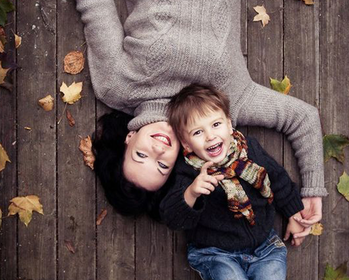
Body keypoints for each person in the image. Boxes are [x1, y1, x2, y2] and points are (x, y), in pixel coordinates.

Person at [76, 0, 327, 233]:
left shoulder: (116, 87)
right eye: (162, 165)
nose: (158, 150)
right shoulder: (225, 108)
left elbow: (95, 7)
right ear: (175, 162)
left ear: (129, 138)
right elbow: (302, 117)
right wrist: (312, 191)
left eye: (141, 155)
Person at [160, 84, 305, 280]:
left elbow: (278, 179)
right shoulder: (189, 171)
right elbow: (172, 217)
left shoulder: (249, 150)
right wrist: (192, 193)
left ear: (229, 124)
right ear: (186, 143)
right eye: (197, 132)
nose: (210, 136)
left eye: (216, 125)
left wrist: (294, 215)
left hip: (265, 246)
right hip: (215, 253)